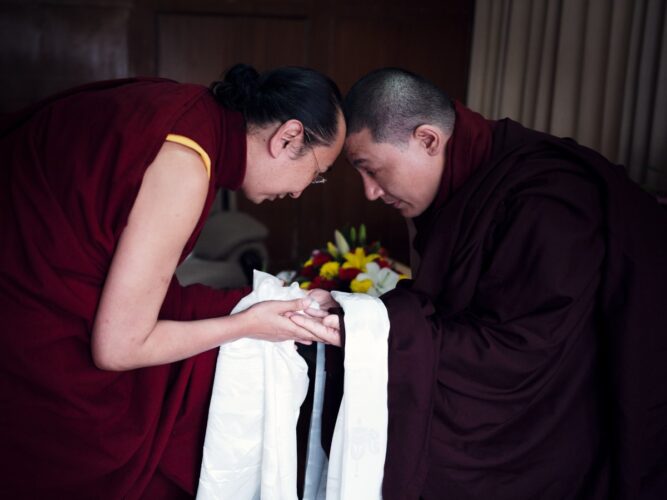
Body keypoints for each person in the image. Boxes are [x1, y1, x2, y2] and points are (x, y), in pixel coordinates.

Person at [293, 68, 667, 499]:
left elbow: (520, 350)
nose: (370, 192)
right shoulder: (470, 179)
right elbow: (450, 306)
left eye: (371, 170)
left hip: (552, 413)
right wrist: (361, 318)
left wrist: (369, 324)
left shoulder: (547, 196)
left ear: (428, 140)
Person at [0, 63, 344, 498]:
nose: (300, 192)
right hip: (26, 326)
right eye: (317, 173)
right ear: (288, 137)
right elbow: (118, 348)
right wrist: (248, 324)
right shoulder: (185, 162)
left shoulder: (186, 111)